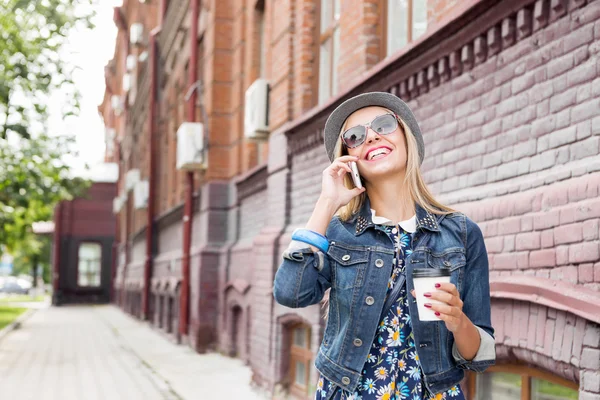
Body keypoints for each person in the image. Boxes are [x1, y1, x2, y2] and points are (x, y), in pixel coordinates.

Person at [273, 92, 495, 400]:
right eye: (355, 135)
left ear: (407, 135)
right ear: (348, 159)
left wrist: (458, 321)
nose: (372, 136)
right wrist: (327, 204)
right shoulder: (337, 232)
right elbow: (290, 293)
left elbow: (479, 356)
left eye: (384, 124)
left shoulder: (461, 233)